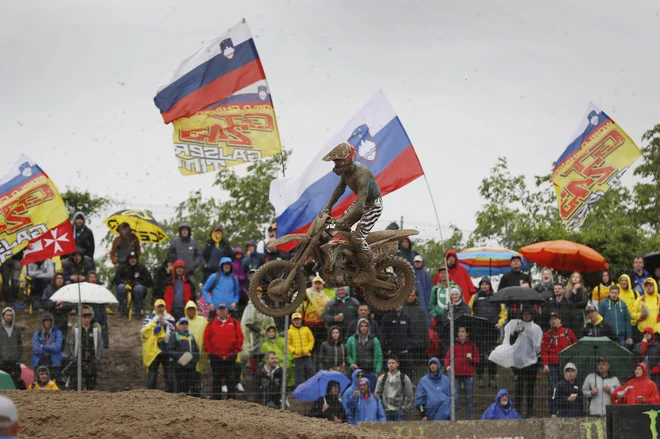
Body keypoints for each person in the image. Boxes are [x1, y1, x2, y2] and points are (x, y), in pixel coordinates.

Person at [322, 142, 383, 282]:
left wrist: (343, 218)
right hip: (360, 203)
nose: (337, 164)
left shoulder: (362, 174)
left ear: (349, 159)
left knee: (357, 238)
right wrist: (329, 206)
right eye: (335, 161)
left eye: (339, 161)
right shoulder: (346, 172)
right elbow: (339, 189)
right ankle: (348, 258)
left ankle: (369, 270)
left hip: (373, 205)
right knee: (337, 229)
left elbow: (361, 206)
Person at [495, 306, 542, 418]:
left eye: (528, 314)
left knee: (530, 387)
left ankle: (529, 411)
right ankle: (518, 410)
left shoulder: (536, 328)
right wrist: (516, 333)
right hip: (520, 361)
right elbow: (511, 342)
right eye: (524, 314)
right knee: (519, 386)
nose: (526, 316)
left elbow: (538, 345)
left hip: (532, 361)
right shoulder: (517, 326)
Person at [469, 276, 507, 389]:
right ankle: (480, 377)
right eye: (482, 284)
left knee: (492, 355)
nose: (484, 286)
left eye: (486, 284)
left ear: (490, 285)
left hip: (492, 331)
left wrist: (500, 323)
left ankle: (492, 378)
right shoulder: (474, 297)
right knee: (479, 355)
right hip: (478, 331)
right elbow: (469, 311)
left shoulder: (497, 297)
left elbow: (503, 313)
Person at [204, 303, 244, 399]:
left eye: (223, 309)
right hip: (216, 357)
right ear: (217, 311)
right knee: (216, 379)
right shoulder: (211, 323)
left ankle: (231, 401)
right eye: (220, 309)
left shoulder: (234, 322)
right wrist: (210, 353)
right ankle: (216, 402)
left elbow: (240, 338)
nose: (222, 311)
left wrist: (235, 352)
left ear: (227, 311)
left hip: (230, 356)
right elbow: (206, 339)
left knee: (231, 379)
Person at [240, 289, 275, 398]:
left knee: (261, 363)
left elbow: (270, 322)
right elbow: (248, 323)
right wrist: (260, 331)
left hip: (263, 342)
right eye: (256, 293)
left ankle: (261, 389)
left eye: (259, 293)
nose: (258, 296)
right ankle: (251, 388)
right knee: (251, 361)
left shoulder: (265, 307)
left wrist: (269, 332)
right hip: (252, 340)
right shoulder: (250, 307)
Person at [542, 312, 577, 416]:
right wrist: (545, 364)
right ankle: (553, 411)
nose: (553, 321)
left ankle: (567, 410)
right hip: (553, 365)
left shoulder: (568, 332)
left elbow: (575, 346)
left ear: (560, 320)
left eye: (555, 319)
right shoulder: (547, 334)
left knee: (568, 387)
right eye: (551, 319)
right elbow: (544, 351)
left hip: (566, 365)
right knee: (554, 388)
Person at [445, 326, 479, 419]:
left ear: (467, 333)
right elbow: (447, 357)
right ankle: (453, 419)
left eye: (463, 331)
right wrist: (448, 366)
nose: (461, 333)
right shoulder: (453, 345)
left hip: (468, 375)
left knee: (469, 399)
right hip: (456, 375)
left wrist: (471, 359)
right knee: (455, 398)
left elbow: (477, 360)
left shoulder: (472, 345)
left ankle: (468, 420)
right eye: (459, 331)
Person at [141, 299, 175, 392]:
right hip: (153, 351)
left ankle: (170, 395)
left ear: (165, 307)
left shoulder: (170, 318)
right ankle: (150, 395)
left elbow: (172, 332)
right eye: (158, 307)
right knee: (152, 374)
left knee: (169, 375)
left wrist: (164, 324)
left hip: (166, 350)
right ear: (154, 307)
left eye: (162, 306)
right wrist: (156, 324)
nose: (160, 309)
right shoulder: (150, 318)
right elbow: (144, 332)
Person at [67, 306, 103, 390]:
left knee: (91, 384)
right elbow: (71, 344)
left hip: (92, 360)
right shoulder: (76, 330)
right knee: (76, 384)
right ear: (81, 318)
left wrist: (97, 358)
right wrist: (73, 357)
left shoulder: (95, 330)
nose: (87, 319)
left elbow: (100, 345)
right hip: (78, 360)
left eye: (88, 317)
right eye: (85, 317)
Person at [296, 276, 329, 365]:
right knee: (309, 348)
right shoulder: (307, 294)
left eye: (319, 283)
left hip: (320, 326)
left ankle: (317, 366)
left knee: (319, 349)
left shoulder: (326, 297)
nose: (317, 285)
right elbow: (299, 307)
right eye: (316, 283)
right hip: (308, 325)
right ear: (312, 284)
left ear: (322, 285)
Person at [346, 318, 383, 392]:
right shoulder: (351, 339)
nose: (364, 328)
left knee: (370, 392)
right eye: (361, 326)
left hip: (371, 371)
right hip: (357, 372)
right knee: (357, 392)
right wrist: (351, 363)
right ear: (358, 327)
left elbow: (379, 356)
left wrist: (378, 371)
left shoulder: (374, 340)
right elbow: (347, 354)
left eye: (366, 326)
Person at [375, 355, 414, 421]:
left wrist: (404, 408)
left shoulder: (404, 378)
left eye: (393, 363)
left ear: (397, 364)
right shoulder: (382, 378)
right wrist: (381, 407)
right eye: (389, 363)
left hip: (399, 411)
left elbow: (409, 395)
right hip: (385, 410)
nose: (391, 365)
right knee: (386, 430)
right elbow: (377, 394)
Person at [115, 251, 153, 317]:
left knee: (138, 288)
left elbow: (149, 281)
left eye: (134, 258)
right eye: (131, 258)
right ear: (128, 259)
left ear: (137, 259)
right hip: (126, 287)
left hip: (138, 288)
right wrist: (124, 282)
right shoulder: (124, 267)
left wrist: (138, 283)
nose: (133, 260)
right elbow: (116, 278)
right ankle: (122, 309)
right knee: (120, 287)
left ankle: (138, 310)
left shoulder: (141, 267)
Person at [167, 317, 199, 395]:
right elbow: (170, 350)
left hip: (191, 366)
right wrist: (181, 357)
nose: (184, 326)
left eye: (186, 324)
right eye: (182, 324)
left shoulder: (191, 336)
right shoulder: (175, 336)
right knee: (181, 387)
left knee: (192, 386)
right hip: (179, 366)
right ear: (179, 325)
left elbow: (196, 350)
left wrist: (194, 360)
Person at [380, 305, 413, 376]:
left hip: (404, 353)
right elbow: (383, 335)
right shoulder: (387, 317)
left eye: (400, 304)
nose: (399, 306)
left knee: (405, 375)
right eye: (397, 304)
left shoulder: (406, 317)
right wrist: (387, 349)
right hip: (391, 353)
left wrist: (407, 346)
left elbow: (411, 334)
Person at [404, 289, 430, 380]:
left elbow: (424, 329)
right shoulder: (402, 309)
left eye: (412, 295)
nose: (410, 297)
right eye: (408, 295)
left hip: (417, 346)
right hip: (406, 345)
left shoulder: (420, 310)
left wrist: (424, 343)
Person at [184, 300, 207, 397]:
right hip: (185, 353)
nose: (191, 312)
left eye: (193, 309)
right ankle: (185, 394)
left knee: (197, 374)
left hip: (200, 352)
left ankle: (196, 394)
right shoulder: (182, 321)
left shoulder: (202, 320)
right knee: (186, 373)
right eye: (189, 310)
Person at [32, 313, 63, 383]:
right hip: (40, 361)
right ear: (42, 322)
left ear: (52, 322)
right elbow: (36, 349)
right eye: (45, 320)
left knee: (54, 383)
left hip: (54, 363)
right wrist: (51, 346)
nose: (47, 322)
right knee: (40, 383)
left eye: (49, 320)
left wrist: (44, 346)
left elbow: (57, 348)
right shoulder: (37, 333)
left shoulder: (58, 333)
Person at [41, 272, 71, 340]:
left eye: (61, 278)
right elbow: (44, 303)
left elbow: (72, 304)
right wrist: (55, 303)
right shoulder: (48, 289)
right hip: (51, 319)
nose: (59, 280)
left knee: (61, 341)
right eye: (57, 278)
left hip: (63, 320)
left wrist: (63, 305)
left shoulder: (67, 290)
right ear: (54, 279)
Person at [288, 312, 315, 386]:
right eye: (295, 320)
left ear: (301, 320)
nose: (297, 321)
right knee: (298, 372)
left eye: (298, 319)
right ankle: (298, 388)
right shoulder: (289, 331)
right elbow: (288, 344)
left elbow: (311, 340)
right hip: (296, 355)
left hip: (307, 353)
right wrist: (293, 351)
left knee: (309, 369)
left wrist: (309, 349)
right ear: (292, 321)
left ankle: (310, 386)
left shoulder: (306, 329)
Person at [0, 308, 22, 389]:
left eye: (11, 315)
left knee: (15, 384)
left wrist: (18, 359)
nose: (9, 317)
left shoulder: (17, 330)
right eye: (7, 315)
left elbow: (20, 346)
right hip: (2, 363)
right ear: (3, 316)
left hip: (14, 363)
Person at [618, 274, 641, 341]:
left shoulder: (635, 293)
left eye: (626, 280)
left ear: (629, 281)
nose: (624, 282)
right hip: (621, 325)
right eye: (622, 280)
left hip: (633, 324)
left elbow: (639, 307)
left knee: (633, 344)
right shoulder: (617, 294)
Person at [413, 255, 433, 323]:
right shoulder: (411, 274)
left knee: (425, 317)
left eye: (419, 262)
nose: (417, 263)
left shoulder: (426, 275)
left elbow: (430, 290)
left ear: (422, 262)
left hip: (424, 301)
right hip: (413, 300)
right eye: (416, 262)